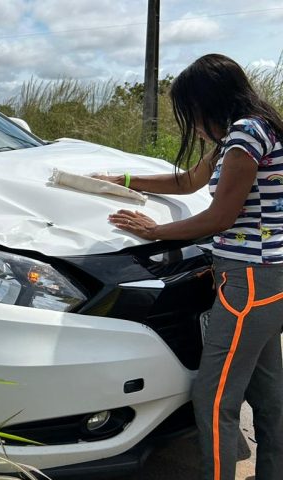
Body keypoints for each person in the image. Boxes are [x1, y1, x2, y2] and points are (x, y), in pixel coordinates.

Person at [97, 53, 283, 480]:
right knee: (269, 395)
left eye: (191, 112)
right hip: (268, 279)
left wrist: (156, 230)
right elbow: (187, 182)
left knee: (214, 398)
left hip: (248, 282)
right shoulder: (254, 130)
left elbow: (220, 217)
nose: (193, 123)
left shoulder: (244, 136)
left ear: (208, 102)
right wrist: (122, 180)